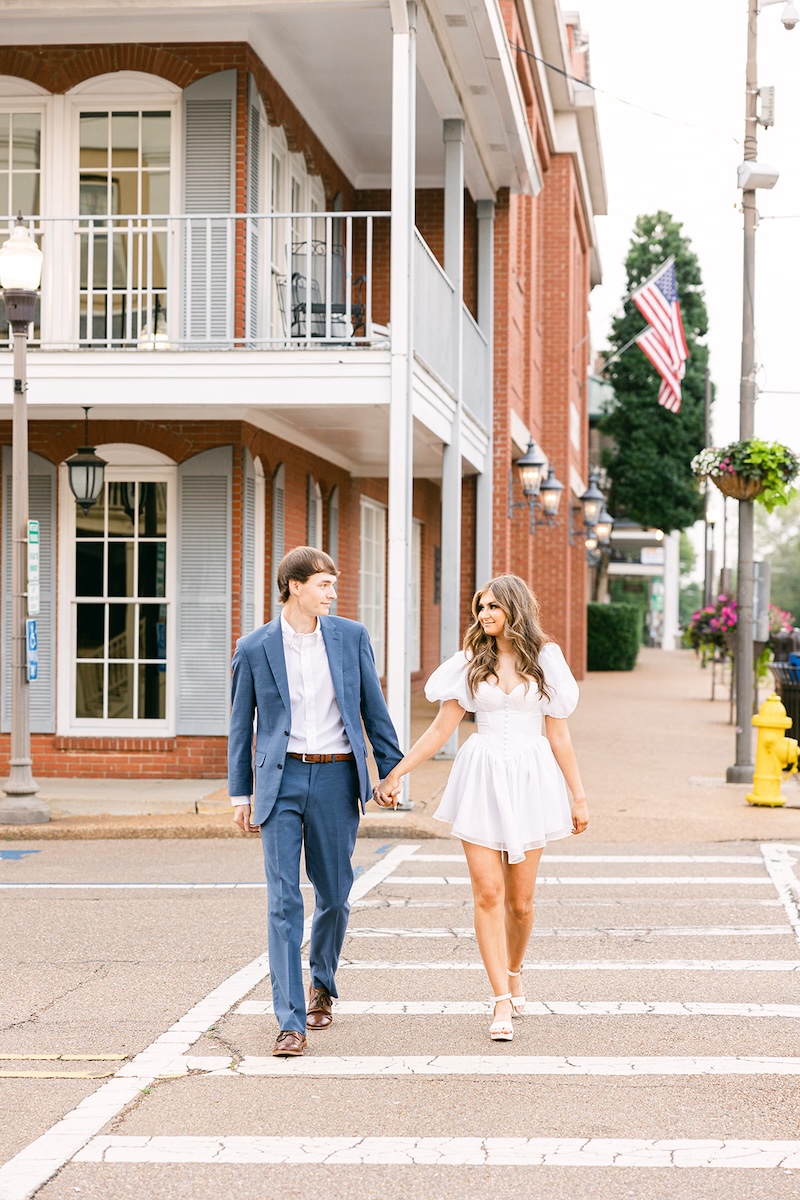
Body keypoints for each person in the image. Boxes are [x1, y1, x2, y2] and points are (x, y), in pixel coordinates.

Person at [376, 574, 588, 1043]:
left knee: (521, 901)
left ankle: (514, 970)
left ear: (514, 608)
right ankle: (499, 1000)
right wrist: (396, 772)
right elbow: (439, 730)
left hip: (532, 778)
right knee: (488, 893)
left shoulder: (546, 660)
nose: (484, 615)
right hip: (482, 775)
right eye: (480, 608)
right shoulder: (470, 662)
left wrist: (578, 795)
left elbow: (559, 735)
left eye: (492, 607)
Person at [228, 546, 402, 1057]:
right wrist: (241, 793)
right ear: (295, 586)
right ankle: (289, 1022)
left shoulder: (350, 638)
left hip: (335, 779)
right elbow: (242, 727)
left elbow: (374, 708)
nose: (332, 592)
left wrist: (389, 773)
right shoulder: (254, 647)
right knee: (283, 900)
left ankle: (321, 983)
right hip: (279, 784)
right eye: (324, 584)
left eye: (333, 583)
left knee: (334, 894)